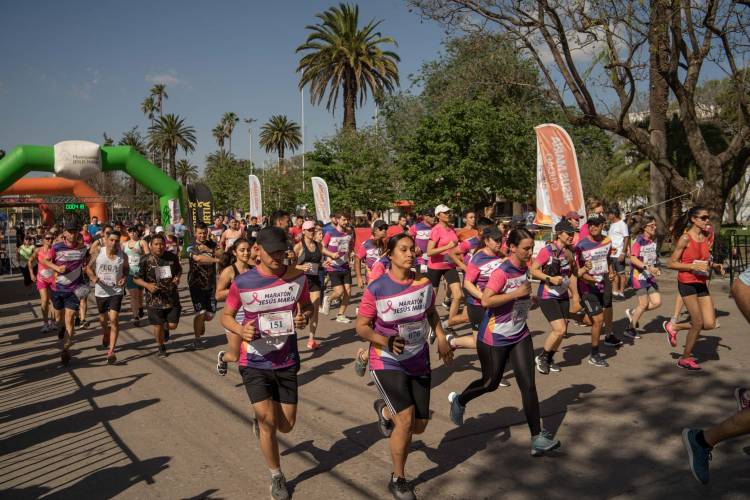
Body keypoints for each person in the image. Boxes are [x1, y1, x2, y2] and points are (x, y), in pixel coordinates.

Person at [356, 233, 453, 500]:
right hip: (386, 359)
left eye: (413, 249)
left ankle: (385, 411)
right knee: (406, 422)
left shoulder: (423, 283)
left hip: (418, 357)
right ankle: (398, 478)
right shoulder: (377, 288)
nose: (411, 254)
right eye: (404, 249)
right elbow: (361, 327)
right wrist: (385, 340)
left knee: (419, 426)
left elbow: (431, 312)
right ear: (390, 254)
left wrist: (442, 337)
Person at [447, 229, 560, 457]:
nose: (530, 253)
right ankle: (460, 400)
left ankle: (537, 437)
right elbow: (487, 300)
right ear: (513, 247)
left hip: (519, 334)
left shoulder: (523, 268)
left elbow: (519, 297)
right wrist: (516, 293)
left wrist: (530, 300)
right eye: (526, 248)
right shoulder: (502, 271)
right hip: (494, 337)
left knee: (528, 385)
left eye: (531, 248)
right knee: (490, 382)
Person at [221, 227, 313, 500]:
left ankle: (264, 423)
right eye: (271, 250)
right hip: (254, 361)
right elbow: (226, 316)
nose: (277, 255)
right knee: (268, 423)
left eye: (281, 250)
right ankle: (276, 475)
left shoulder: (297, 278)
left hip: (286, 360)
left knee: (287, 425)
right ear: (257, 250)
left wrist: (304, 317)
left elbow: (306, 306)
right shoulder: (244, 282)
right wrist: (240, 331)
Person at [681, 267, 750, 484]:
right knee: (701, 322)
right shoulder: (685, 238)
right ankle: (702, 440)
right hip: (689, 283)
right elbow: (741, 286)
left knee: (706, 322)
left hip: (698, 284)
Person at [664, 206, 724, 370]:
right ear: (693, 219)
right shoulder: (685, 238)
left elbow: (703, 260)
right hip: (687, 282)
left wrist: (715, 265)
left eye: (708, 218)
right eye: (703, 218)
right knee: (697, 322)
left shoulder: (705, 236)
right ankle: (684, 359)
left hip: (701, 282)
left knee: (710, 323)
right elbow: (670, 263)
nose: (707, 221)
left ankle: (674, 326)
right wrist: (691, 267)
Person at [530, 219, 579, 374]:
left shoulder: (571, 252)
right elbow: (534, 270)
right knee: (559, 329)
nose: (571, 236)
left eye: (573, 233)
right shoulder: (548, 250)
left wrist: (576, 293)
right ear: (559, 234)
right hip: (547, 295)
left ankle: (549, 358)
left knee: (563, 332)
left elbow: (574, 274)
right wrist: (550, 279)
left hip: (562, 294)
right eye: (568, 233)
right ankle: (542, 358)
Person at [575, 214, 622, 368]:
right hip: (587, 286)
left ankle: (570, 315)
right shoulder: (581, 245)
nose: (593, 227)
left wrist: (611, 271)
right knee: (598, 320)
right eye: (590, 224)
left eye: (596, 224)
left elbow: (607, 259)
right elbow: (577, 271)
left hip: (603, 283)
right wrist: (589, 279)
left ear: (603, 225)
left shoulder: (607, 241)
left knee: (594, 319)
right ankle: (594, 354)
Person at [447, 226, 504, 351]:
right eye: (496, 240)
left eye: (500, 240)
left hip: (494, 303)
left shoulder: (500, 255)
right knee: (479, 342)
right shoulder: (478, 258)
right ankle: (452, 341)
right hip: (477, 304)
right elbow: (467, 284)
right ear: (487, 241)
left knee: (496, 336)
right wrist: (483, 296)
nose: (499, 243)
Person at [40, 226, 89, 365]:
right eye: (70, 232)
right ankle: (60, 328)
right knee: (59, 319)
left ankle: (66, 349)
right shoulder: (56, 247)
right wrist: (57, 268)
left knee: (71, 318)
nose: (72, 234)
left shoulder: (82, 248)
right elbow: (45, 261)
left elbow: (90, 258)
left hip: (73, 289)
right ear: (65, 233)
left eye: (75, 232)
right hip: (57, 288)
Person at [133, 234, 182, 358]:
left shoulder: (172, 257)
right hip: (154, 300)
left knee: (173, 325)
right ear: (151, 246)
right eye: (156, 244)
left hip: (171, 297)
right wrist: (147, 286)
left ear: (165, 245)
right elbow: (136, 278)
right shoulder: (145, 260)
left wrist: (177, 277)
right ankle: (161, 347)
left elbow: (178, 270)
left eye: (162, 244)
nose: (159, 247)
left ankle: (166, 328)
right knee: (157, 325)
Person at [86, 230, 128, 364]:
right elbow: (88, 268)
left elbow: (126, 268)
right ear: (106, 240)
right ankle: (105, 333)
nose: (114, 243)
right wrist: (94, 278)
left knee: (114, 319)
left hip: (116, 291)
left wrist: (124, 278)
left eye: (117, 240)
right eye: (111, 240)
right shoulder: (99, 252)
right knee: (103, 320)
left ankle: (111, 351)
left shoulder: (123, 255)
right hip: (101, 291)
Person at [215, 237, 254, 376]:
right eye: (242, 250)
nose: (246, 253)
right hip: (234, 316)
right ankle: (223, 357)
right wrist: (236, 289)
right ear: (235, 252)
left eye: (248, 250)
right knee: (235, 356)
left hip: (251, 315)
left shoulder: (253, 269)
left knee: (253, 350)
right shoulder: (229, 271)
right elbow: (218, 295)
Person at [295, 221, 334, 349]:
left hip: (315, 280)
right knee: (298, 312)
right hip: (301, 281)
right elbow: (289, 266)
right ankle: (294, 332)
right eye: (310, 230)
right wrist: (301, 267)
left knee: (315, 310)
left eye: (313, 229)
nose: (312, 232)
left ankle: (311, 339)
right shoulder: (298, 247)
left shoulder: (319, 246)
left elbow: (329, 255)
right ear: (304, 231)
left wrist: (328, 261)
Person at [624, 216, 661, 339]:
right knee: (643, 304)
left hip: (649, 276)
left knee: (656, 302)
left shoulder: (653, 240)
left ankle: (633, 312)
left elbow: (653, 258)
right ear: (645, 227)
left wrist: (656, 268)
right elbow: (633, 258)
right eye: (652, 225)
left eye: (655, 225)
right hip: (638, 276)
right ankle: (630, 329)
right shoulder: (639, 240)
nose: (654, 227)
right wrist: (647, 267)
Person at [425, 205, 462, 324]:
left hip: (449, 265)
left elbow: (454, 247)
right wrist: (447, 246)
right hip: (435, 266)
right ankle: (431, 323)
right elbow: (429, 252)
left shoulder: (451, 229)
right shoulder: (435, 230)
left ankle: (450, 322)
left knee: (457, 295)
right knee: (432, 300)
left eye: (448, 212)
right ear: (438, 216)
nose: (447, 214)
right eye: (444, 213)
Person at [187, 222, 220, 349]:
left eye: (204, 233)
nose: (202, 235)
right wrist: (216, 259)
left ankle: (201, 322)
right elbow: (198, 259)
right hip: (196, 284)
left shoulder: (212, 244)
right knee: (200, 312)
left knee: (209, 316)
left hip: (211, 284)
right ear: (195, 233)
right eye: (200, 233)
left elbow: (222, 253)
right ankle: (197, 339)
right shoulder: (191, 245)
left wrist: (210, 250)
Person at [321, 212, 354, 323]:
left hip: (345, 265)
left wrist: (350, 258)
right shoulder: (330, 233)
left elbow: (349, 247)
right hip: (333, 266)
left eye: (347, 220)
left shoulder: (349, 232)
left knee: (348, 292)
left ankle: (340, 315)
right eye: (344, 219)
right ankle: (328, 299)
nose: (346, 222)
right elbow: (322, 247)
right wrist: (330, 255)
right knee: (339, 292)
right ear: (338, 220)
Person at [29, 232, 56, 332]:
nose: (50, 240)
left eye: (52, 238)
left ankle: (53, 322)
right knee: (44, 300)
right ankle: (45, 323)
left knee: (53, 301)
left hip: (52, 278)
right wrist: (32, 274)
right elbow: (30, 261)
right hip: (41, 278)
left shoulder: (54, 251)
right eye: (48, 238)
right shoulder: (38, 250)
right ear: (43, 239)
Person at [124, 227, 149, 326]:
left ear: (137, 233)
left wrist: (140, 252)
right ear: (128, 233)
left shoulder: (142, 242)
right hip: (130, 272)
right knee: (133, 294)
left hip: (140, 272)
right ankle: (136, 317)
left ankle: (140, 307)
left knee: (139, 293)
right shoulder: (125, 244)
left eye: (134, 232)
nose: (132, 234)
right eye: (130, 232)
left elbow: (148, 255)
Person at [355, 220, 388, 288]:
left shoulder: (384, 243)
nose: (384, 230)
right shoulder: (367, 244)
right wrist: (359, 278)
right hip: (372, 279)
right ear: (375, 230)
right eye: (381, 228)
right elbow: (357, 259)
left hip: (383, 277)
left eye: (386, 228)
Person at [607, 204, 629, 299]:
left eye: (609, 214)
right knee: (614, 273)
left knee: (621, 274)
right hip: (611, 254)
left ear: (613, 214)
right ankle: (615, 292)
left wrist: (623, 253)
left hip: (619, 254)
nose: (608, 216)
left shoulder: (622, 224)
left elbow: (626, 238)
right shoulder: (612, 225)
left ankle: (621, 292)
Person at [409, 209, 435, 274]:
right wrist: (414, 247)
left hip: (434, 260)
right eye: (431, 216)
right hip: (421, 260)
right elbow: (407, 239)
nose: (434, 218)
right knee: (424, 276)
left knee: (432, 281)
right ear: (425, 217)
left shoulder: (436, 227)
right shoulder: (416, 227)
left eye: (435, 216)